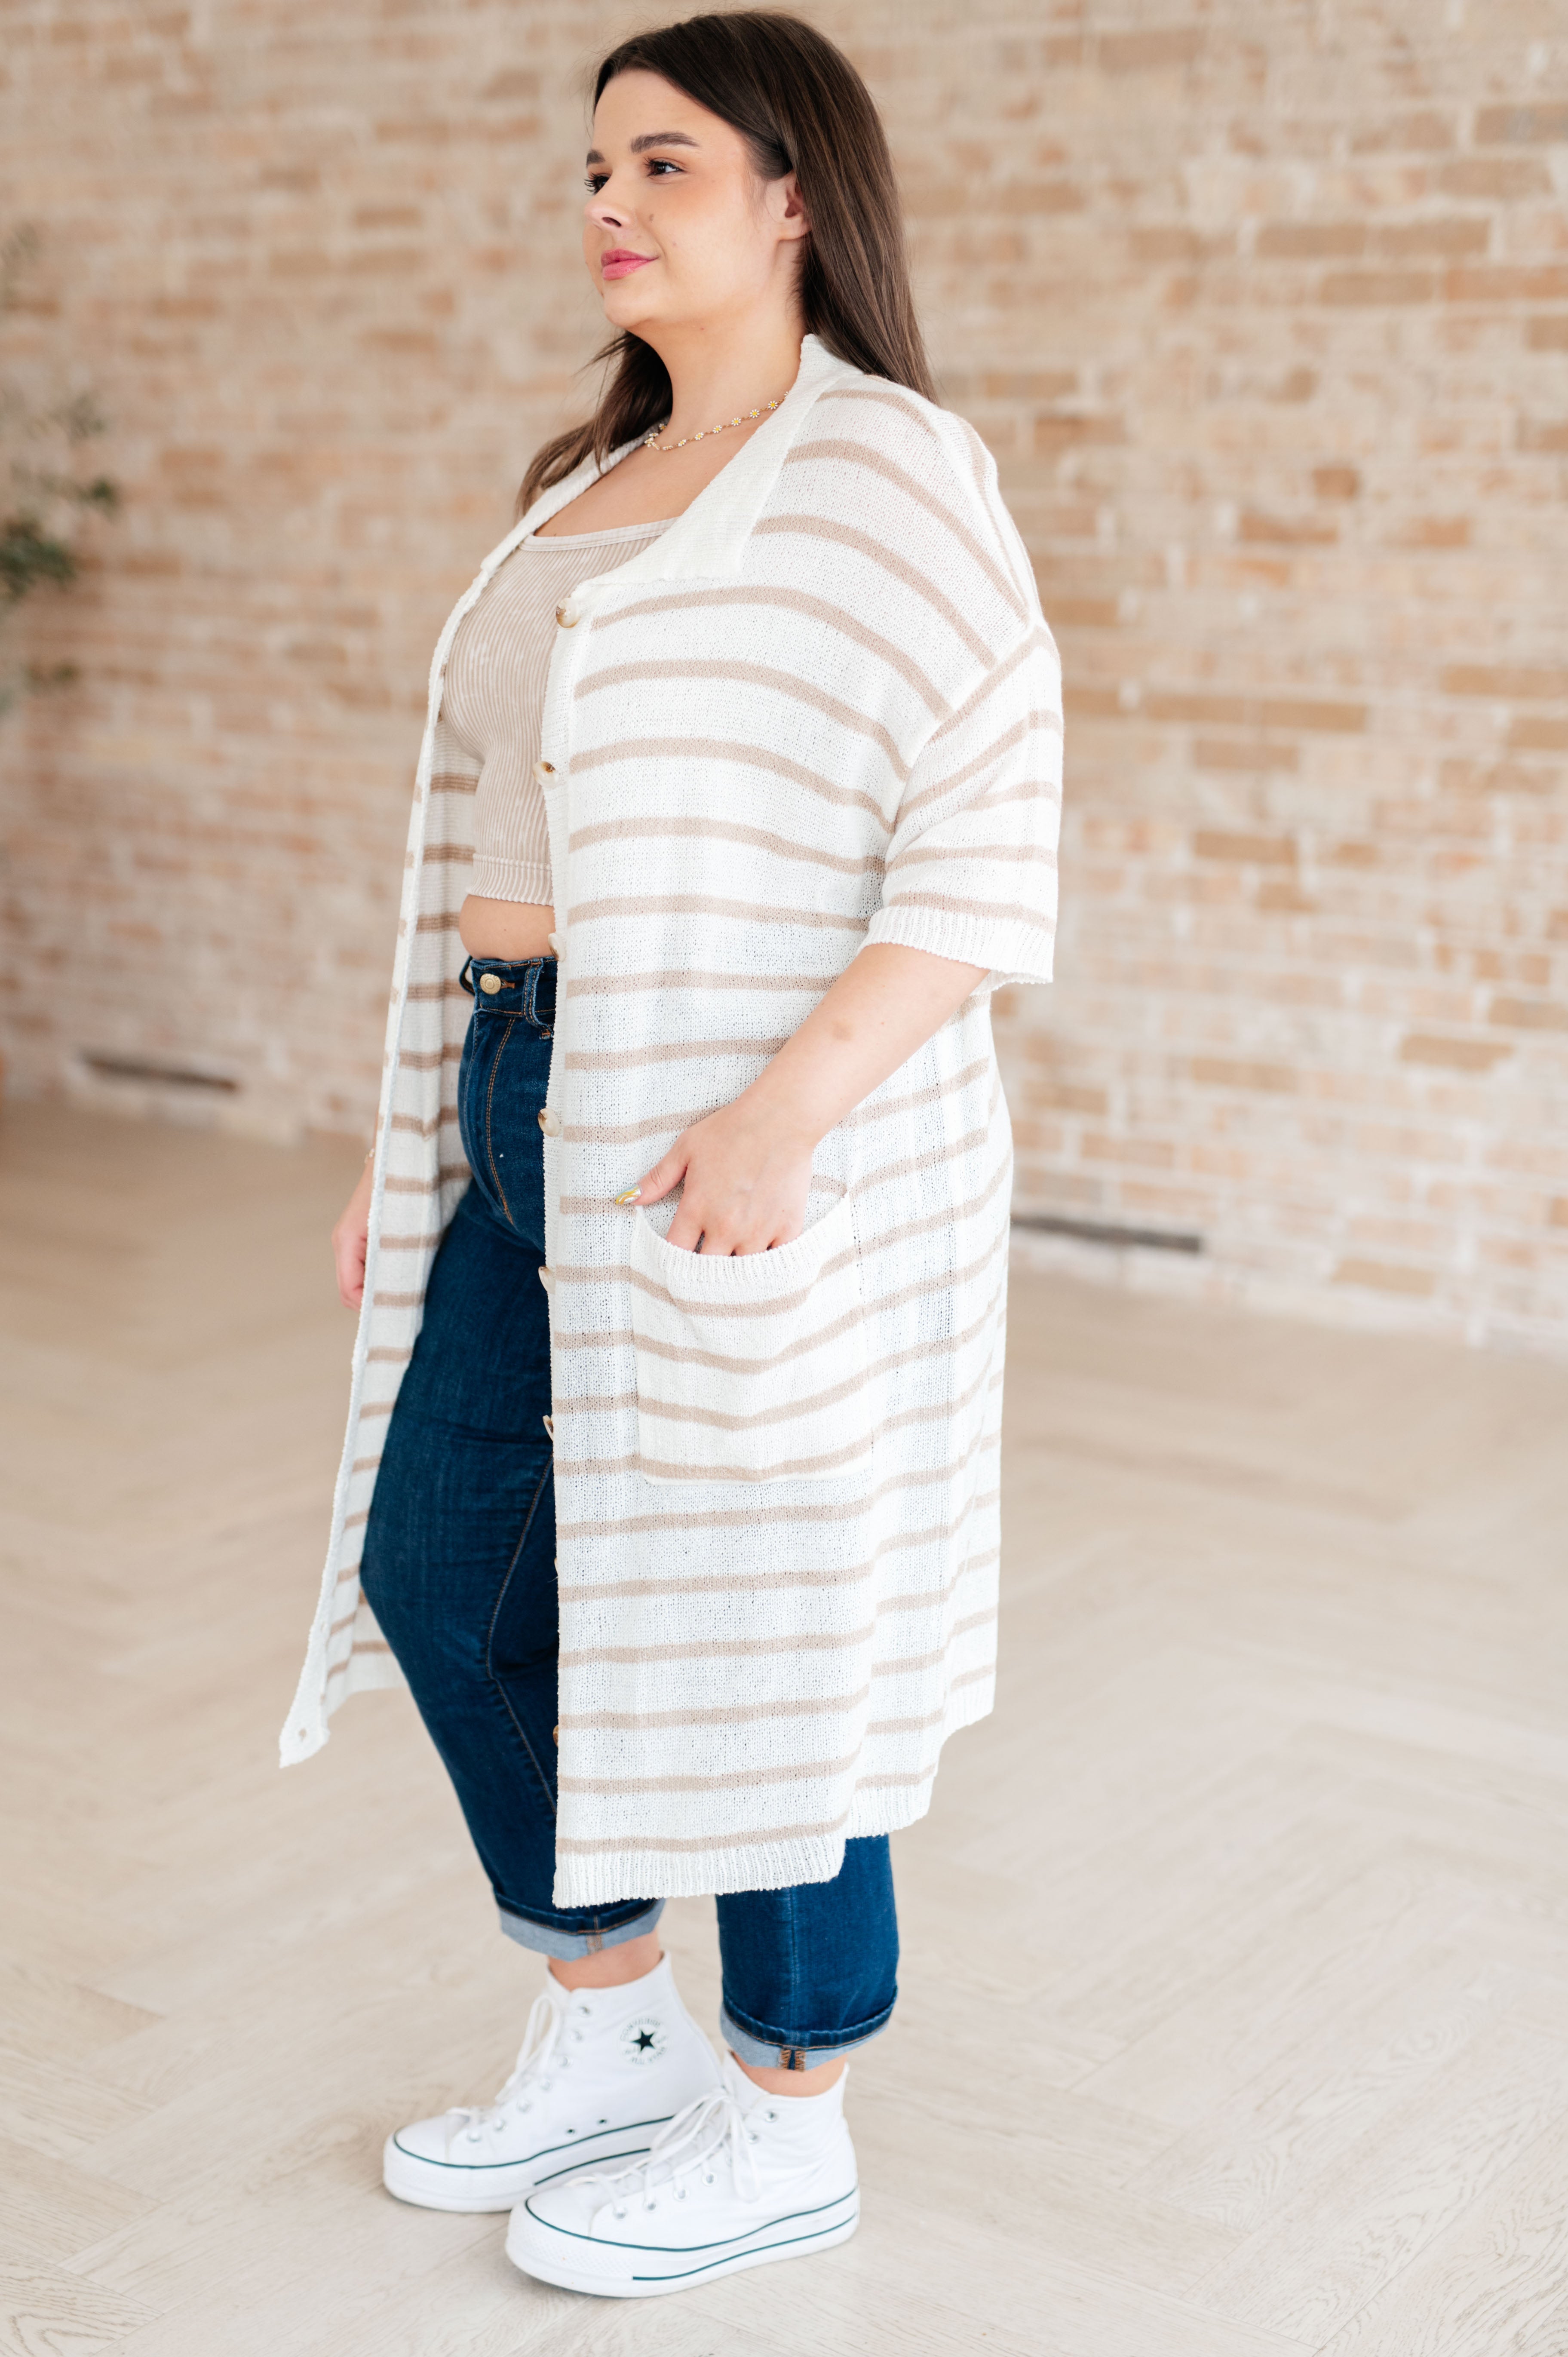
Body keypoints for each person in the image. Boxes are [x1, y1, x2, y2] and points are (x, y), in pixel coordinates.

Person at [284, 9, 1062, 2301]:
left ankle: (793, 2109)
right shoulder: (579, 481)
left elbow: (988, 848)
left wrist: (785, 1112)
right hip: (520, 1102)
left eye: (670, 163)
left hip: (741, 1149)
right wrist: (400, 1146)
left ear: (799, 195)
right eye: (594, 169)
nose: (612, 203)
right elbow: (479, 843)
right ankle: (610, 2019)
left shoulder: (891, 476)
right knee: (447, 1571)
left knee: (779, 1621)